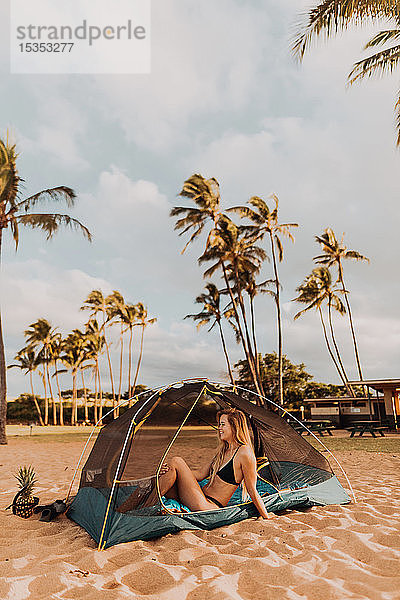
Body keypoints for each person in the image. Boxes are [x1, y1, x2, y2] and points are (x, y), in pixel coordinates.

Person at [125, 408, 271, 519]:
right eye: (218, 424)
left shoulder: (244, 453)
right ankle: (126, 509)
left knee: (177, 461)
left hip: (208, 505)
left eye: (222, 424)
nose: (218, 428)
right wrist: (175, 472)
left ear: (235, 426)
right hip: (197, 496)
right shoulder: (222, 450)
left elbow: (252, 489)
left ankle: (141, 510)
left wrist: (266, 516)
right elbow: (200, 475)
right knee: (162, 474)